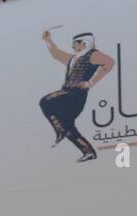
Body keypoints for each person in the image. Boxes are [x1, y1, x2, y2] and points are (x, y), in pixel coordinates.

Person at [39, 30, 113, 163]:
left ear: (84, 43)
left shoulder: (93, 55)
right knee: (68, 127)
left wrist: (91, 82)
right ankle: (88, 152)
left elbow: (109, 62)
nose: (73, 46)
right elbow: (56, 54)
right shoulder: (74, 58)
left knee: (46, 101)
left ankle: (60, 129)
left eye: (75, 43)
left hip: (75, 94)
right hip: (66, 92)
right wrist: (48, 41)